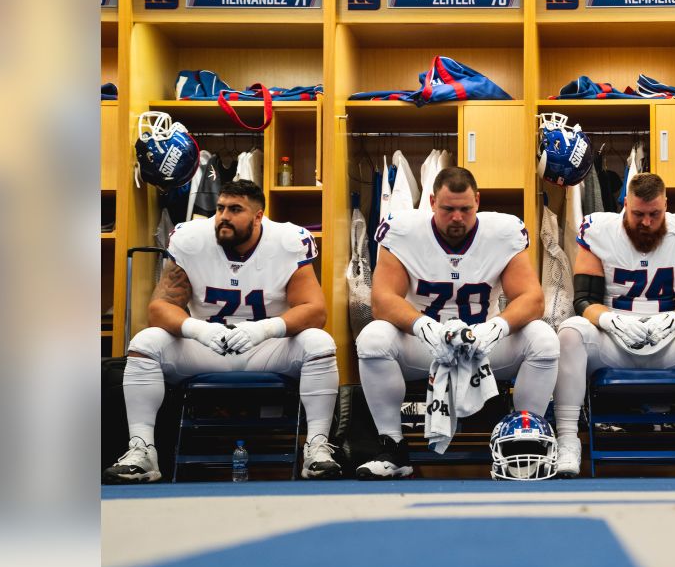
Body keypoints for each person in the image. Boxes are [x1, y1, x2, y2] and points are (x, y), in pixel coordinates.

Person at [103, 179, 340, 483]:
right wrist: (197, 330)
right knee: (145, 341)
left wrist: (265, 329)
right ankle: (142, 451)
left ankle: (317, 449)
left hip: (265, 348)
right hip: (208, 346)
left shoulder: (287, 240)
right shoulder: (191, 238)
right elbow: (159, 308)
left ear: (258, 216)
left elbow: (314, 309)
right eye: (220, 208)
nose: (223, 217)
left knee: (319, 342)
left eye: (235, 209)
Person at [355, 167, 558, 479]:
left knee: (543, 338)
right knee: (372, 338)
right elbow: (382, 300)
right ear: (433, 201)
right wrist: (426, 327)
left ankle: (522, 442)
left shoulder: (503, 231)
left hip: (483, 345)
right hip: (426, 344)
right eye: (448, 209)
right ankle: (392, 447)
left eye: (466, 209)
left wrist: (495, 328)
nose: (457, 218)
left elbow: (533, 299)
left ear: (478, 200)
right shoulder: (404, 229)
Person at [553, 173, 675, 477]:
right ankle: (567, 441)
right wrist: (609, 319)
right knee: (569, 332)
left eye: (654, 214)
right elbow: (585, 300)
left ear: (666, 205)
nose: (645, 222)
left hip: (670, 341)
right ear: (625, 203)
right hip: (614, 341)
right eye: (638, 214)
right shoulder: (599, 230)